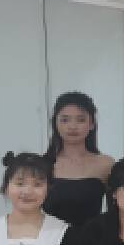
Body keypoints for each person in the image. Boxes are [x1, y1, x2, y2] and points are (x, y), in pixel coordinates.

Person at [42, 91, 113, 228]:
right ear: (55, 123)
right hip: (50, 238)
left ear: (92, 124)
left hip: (92, 238)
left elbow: (115, 211)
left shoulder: (105, 164)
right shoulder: (42, 165)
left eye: (80, 120)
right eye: (65, 120)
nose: (72, 126)